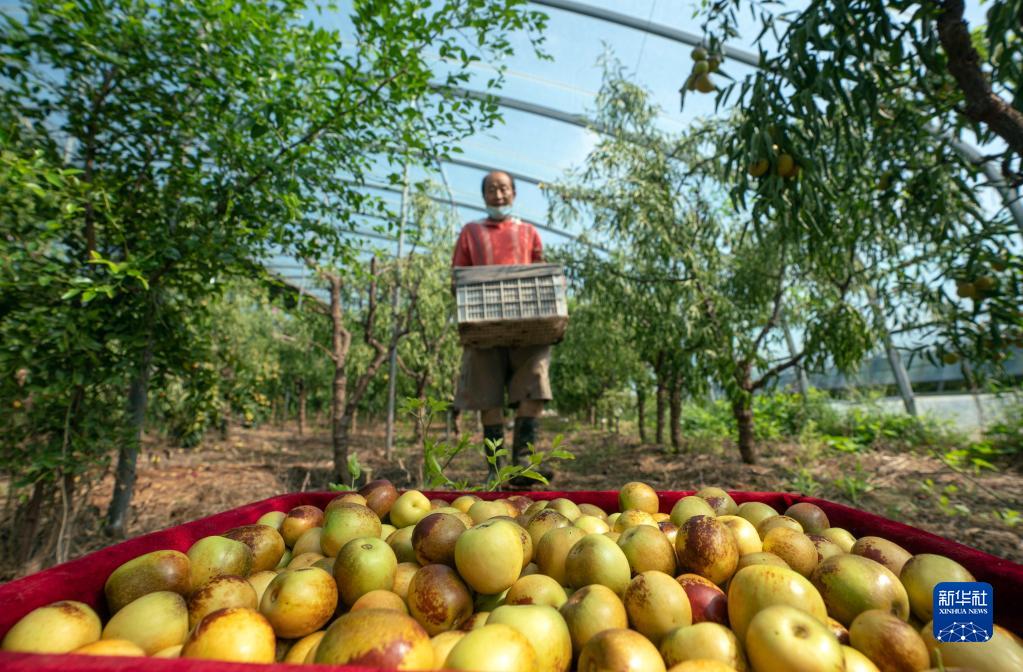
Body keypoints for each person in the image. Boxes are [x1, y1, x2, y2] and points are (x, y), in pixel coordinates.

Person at [452, 170, 554, 487]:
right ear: (484, 196)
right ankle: (495, 470)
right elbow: (458, 277)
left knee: (534, 385)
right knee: (488, 396)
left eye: (504, 188)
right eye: (492, 189)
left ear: (513, 194)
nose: (498, 195)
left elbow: (541, 272)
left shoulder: (528, 232)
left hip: (528, 327)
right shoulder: (471, 232)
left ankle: (522, 462)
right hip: (484, 328)